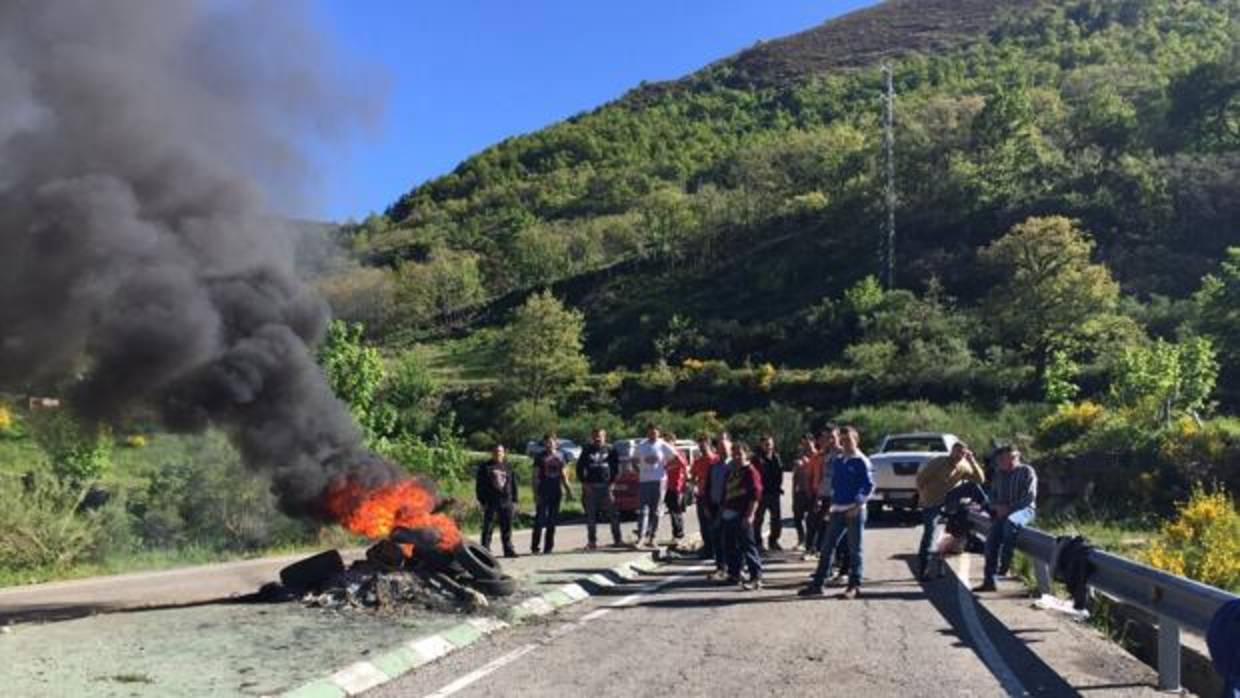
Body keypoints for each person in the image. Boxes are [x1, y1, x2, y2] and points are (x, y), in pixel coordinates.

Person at [800, 425, 873, 599]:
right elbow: (835, 484)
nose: (846, 443)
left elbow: (869, 486)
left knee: (855, 549)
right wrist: (830, 505)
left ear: (857, 440)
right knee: (826, 547)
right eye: (844, 440)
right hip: (837, 509)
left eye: (849, 440)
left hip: (855, 511)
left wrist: (856, 506)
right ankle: (818, 584)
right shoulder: (840, 460)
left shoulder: (862, 460)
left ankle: (854, 586)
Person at [915, 440, 985, 580]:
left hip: (948, 500)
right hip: (931, 502)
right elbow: (920, 479)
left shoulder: (963, 465)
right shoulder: (938, 462)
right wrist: (924, 497)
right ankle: (924, 570)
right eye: (957, 451)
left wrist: (972, 461)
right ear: (951, 451)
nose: (959, 455)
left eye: (963, 453)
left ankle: (988, 508)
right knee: (930, 534)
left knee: (972, 488)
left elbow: (979, 479)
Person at [974, 445, 1037, 593]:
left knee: (1011, 523)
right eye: (1000, 459)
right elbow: (992, 495)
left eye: (1007, 458)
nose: (1002, 462)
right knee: (991, 543)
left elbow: (1029, 497)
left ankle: (1006, 563)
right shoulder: (998, 474)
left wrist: (1008, 508)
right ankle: (989, 582)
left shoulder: (1026, 471)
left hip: (1023, 510)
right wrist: (996, 506)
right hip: (1002, 512)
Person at [721, 441, 763, 589]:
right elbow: (725, 493)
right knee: (731, 546)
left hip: (742, 514)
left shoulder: (750, 471)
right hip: (728, 513)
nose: (737, 456)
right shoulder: (731, 471)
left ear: (747, 454)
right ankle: (735, 574)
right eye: (734, 453)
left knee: (748, 546)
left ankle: (755, 577)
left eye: (740, 453)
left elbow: (755, 495)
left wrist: (750, 515)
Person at [633, 424, 680, 548]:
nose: (652, 435)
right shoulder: (642, 445)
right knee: (643, 511)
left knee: (656, 511)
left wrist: (666, 467)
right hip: (644, 481)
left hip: (659, 481)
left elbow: (676, 459)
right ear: (647, 433)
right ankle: (641, 538)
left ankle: (653, 537)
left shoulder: (663, 444)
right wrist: (638, 470)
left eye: (654, 432)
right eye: (650, 432)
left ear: (658, 433)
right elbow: (634, 459)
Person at [576, 428, 622, 550]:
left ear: (605, 437)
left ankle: (617, 539)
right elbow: (579, 468)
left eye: (600, 436)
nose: (597, 438)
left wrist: (613, 482)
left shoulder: (611, 449)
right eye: (595, 436)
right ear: (592, 437)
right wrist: (584, 483)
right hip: (591, 487)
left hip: (606, 486)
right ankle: (592, 541)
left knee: (613, 514)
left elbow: (617, 468)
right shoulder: (587, 450)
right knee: (591, 516)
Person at [531, 433, 574, 555]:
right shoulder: (540, 457)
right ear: (544, 444)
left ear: (556, 443)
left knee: (552, 521)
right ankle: (535, 547)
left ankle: (548, 547)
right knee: (539, 520)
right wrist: (535, 493)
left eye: (551, 442)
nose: (549, 444)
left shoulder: (562, 456)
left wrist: (569, 490)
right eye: (547, 442)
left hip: (556, 491)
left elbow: (564, 475)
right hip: (543, 491)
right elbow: (535, 476)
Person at [475, 444, 518, 558]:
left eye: (500, 451)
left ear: (503, 453)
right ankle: (485, 551)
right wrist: (482, 501)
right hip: (491, 501)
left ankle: (508, 549)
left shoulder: (508, 467)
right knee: (488, 527)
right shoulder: (485, 467)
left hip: (506, 501)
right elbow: (479, 486)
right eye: (495, 451)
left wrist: (514, 501)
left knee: (507, 527)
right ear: (492, 453)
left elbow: (513, 485)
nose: (498, 453)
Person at [704, 432, 734, 579]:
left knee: (729, 540)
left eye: (726, 448)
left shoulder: (734, 466)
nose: (723, 451)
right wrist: (707, 506)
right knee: (716, 538)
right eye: (720, 448)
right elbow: (708, 487)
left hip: (729, 508)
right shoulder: (713, 466)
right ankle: (720, 567)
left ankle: (732, 568)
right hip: (714, 507)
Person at [751, 435, 785, 552]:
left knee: (776, 519)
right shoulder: (756, 459)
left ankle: (773, 541)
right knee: (758, 519)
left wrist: (779, 487)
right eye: (766, 444)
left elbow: (780, 474)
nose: (768, 446)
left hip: (774, 493)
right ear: (761, 445)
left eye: (770, 444)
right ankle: (757, 542)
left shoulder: (776, 457)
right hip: (762, 493)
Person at [689, 436, 718, 560]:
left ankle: (718, 548)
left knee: (715, 524)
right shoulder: (698, 461)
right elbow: (693, 478)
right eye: (700, 447)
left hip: (714, 496)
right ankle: (708, 548)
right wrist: (693, 485)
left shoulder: (716, 460)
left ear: (709, 445)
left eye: (703, 446)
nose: (702, 449)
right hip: (702, 496)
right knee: (704, 525)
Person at [791, 434, 818, 552]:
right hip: (800, 491)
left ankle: (812, 544)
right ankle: (801, 539)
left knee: (812, 520)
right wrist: (793, 494)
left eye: (808, 443)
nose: (806, 446)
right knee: (797, 518)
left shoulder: (818, 456)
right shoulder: (800, 457)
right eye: (803, 443)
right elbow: (794, 477)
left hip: (813, 492)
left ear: (813, 442)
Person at [664, 441, 689, 545]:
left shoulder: (679, 453)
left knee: (676, 510)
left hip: (676, 486)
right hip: (666, 486)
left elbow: (684, 464)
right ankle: (676, 533)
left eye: (669, 443)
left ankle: (679, 533)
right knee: (672, 511)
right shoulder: (665, 455)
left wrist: (675, 454)